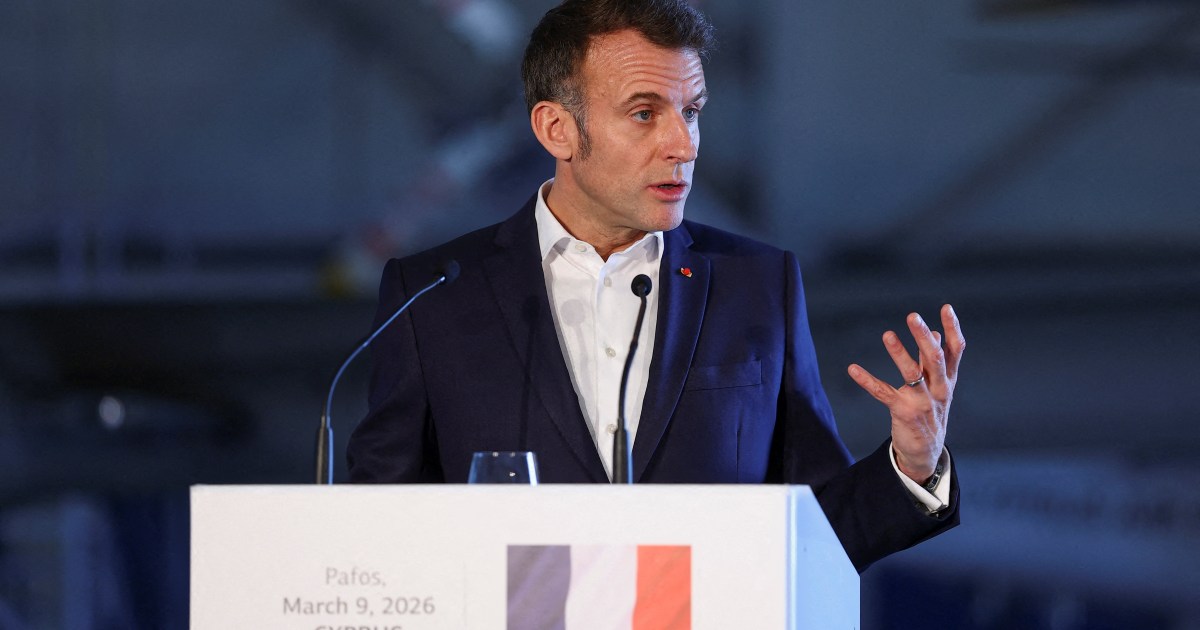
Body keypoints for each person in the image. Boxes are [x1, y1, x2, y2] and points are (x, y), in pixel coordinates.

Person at [347, 0, 965, 573]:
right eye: (645, 114)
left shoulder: (755, 284)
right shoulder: (434, 294)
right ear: (557, 129)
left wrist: (913, 465)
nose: (683, 145)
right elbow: (380, 525)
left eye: (691, 111)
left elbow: (819, 531)